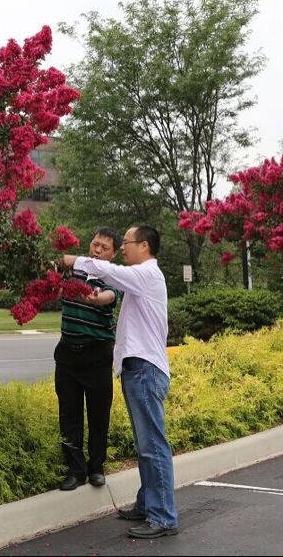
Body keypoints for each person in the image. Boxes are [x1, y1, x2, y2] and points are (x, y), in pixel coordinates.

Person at [60, 225, 178, 539]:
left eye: (125, 243)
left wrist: (72, 260)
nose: (123, 248)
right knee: (145, 446)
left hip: (145, 370)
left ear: (144, 246)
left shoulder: (147, 275)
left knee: (153, 445)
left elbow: (107, 272)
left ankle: (163, 517)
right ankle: (147, 504)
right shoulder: (143, 277)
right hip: (137, 369)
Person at [54, 226, 123, 492]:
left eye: (104, 248)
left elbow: (110, 297)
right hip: (68, 355)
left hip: (97, 354)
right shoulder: (75, 269)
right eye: (95, 244)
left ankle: (96, 468)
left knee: (98, 415)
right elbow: (55, 265)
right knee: (68, 415)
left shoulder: (113, 277)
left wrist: (96, 299)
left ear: (114, 254)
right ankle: (75, 470)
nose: (97, 250)